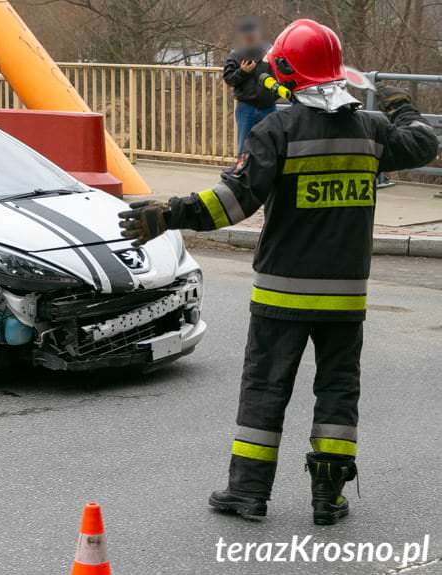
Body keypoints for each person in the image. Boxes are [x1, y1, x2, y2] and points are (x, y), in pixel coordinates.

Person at [118, 19, 438, 525]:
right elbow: (421, 143)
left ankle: (247, 494)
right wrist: (400, 103)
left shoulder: (278, 130)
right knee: (337, 391)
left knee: (266, 388)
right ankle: (327, 499)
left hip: (282, 296)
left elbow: (231, 203)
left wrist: (169, 213)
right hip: (345, 298)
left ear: (289, 72)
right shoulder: (372, 132)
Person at [223, 17, 280, 154]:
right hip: (246, 108)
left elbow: (282, 74)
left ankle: (268, 174)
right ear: (242, 36)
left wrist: (275, 94)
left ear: (258, 34)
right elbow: (229, 79)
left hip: (269, 107)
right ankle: (243, 173)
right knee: (244, 147)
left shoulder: (271, 52)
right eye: (247, 34)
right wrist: (242, 72)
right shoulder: (236, 55)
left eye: (252, 34)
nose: (250, 37)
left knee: (271, 146)